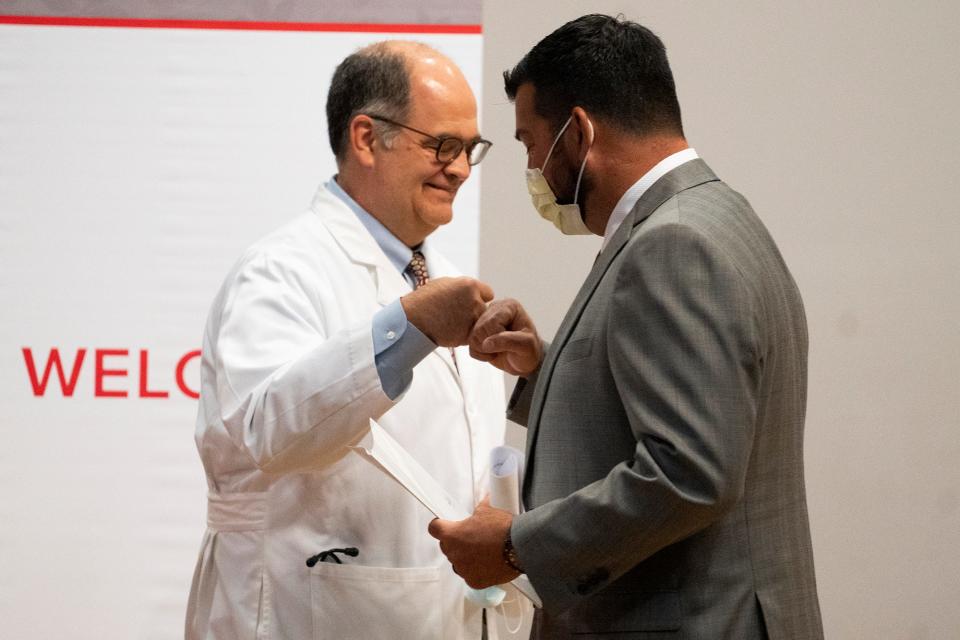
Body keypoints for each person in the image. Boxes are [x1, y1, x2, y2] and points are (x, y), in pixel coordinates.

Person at [429, 14, 824, 639]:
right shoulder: (717, 216)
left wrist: (516, 546)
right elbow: (704, 407)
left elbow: (688, 473)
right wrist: (545, 364)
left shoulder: (671, 245)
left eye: (531, 143)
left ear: (579, 130)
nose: (531, 167)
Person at [185, 41, 506, 640]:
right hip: (301, 613)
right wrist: (410, 328)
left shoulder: (449, 280)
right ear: (366, 139)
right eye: (442, 145)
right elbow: (266, 430)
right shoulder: (280, 269)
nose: (461, 168)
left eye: (470, 149)